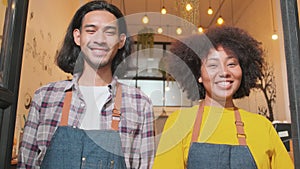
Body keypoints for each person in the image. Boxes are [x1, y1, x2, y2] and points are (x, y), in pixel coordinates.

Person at [18, 1, 155, 168]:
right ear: (78, 37)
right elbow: (26, 164)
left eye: (109, 33)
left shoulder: (140, 104)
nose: (100, 40)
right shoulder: (45, 97)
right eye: (91, 31)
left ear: (121, 41)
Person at [153, 26, 294, 169]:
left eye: (231, 64)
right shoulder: (179, 123)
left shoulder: (263, 127)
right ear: (199, 75)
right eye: (213, 65)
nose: (224, 72)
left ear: (243, 70)